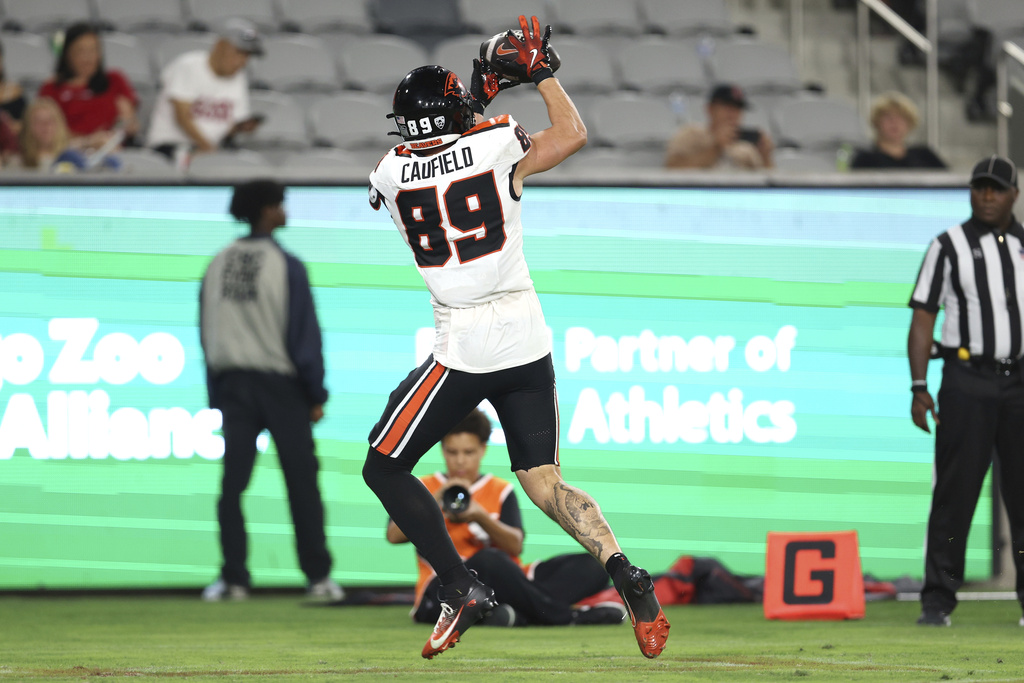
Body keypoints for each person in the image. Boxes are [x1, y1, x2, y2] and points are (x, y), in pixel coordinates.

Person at [363, 15, 670, 660]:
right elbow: (571, 135)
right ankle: (624, 572)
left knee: (384, 465)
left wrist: (477, 92)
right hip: (528, 340)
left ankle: (459, 586)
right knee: (544, 484)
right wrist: (541, 76)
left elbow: (438, 140)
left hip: (465, 345)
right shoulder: (498, 142)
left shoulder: (389, 173)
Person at [198, 179, 342, 603]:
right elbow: (303, 337)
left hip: (233, 385)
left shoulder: (217, 263)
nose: (285, 210)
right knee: (302, 484)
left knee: (233, 486)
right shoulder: (287, 265)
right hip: (282, 388)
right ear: (265, 210)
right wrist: (316, 393)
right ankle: (318, 579)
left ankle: (234, 579)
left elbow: (207, 332)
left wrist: (215, 393)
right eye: (280, 204)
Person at [908, 155, 1024, 627]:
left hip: (1019, 380)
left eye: (997, 188)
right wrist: (919, 386)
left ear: (1014, 194)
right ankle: (938, 600)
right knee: (956, 494)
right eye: (980, 187)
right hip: (965, 378)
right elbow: (922, 318)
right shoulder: (947, 246)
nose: (988, 196)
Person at [387, 408, 627, 627]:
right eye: (452, 452)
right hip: (447, 585)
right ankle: (567, 616)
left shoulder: (500, 490)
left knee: (594, 565)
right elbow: (393, 535)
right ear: (442, 449)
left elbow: (515, 545)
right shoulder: (423, 487)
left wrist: (481, 517)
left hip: (508, 580)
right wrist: (433, 500)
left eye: (468, 452)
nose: (460, 460)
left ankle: (515, 612)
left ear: (482, 449)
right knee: (488, 561)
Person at [147, 18, 264, 165]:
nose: (242, 61)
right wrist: (208, 148)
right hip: (169, 147)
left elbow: (229, 127)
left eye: (247, 56)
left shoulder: (239, 78)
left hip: (210, 151)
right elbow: (182, 116)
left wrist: (242, 127)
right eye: (239, 53)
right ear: (220, 45)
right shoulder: (189, 65)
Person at [38, 23, 139, 150]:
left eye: (93, 50)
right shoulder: (52, 88)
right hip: (68, 152)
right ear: (67, 54)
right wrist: (89, 141)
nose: (88, 58)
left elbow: (131, 124)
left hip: (111, 151)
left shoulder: (115, 80)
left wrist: (126, 123)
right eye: (81, 51)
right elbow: (47, 133)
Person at [664, 83, 773, 170]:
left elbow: (766, 185)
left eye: (738, 108)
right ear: (710, 109)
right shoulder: (690, 134)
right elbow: (672, 170)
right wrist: (716, 148)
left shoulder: (746, 150)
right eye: (727, 106)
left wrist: (765, 157)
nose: (732, 114)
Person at [850, 91, 946, 170]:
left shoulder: (925, 155)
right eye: (888, 117)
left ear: (910, 123)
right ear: (876, 122)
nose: (894, 123)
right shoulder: (865, 159)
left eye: (901, 118)